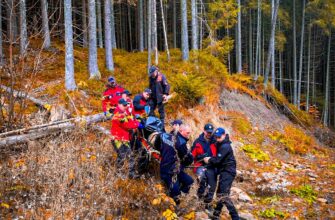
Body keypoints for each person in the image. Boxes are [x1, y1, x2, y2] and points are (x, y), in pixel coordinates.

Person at [204, 128, 239, 220]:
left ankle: (236, 217)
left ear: (224, 135)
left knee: (223, 195)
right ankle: (216, 214)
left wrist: (208, 160)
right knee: (220, 193)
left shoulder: (225, 146)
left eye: (219, 137)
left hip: (228, 172)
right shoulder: (220, 142)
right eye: (216, 137)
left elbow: (217, 160)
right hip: (224, 171)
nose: (217, 139)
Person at [159, 124, 194, 204]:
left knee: (190, 181)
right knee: (176, 194)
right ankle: (173, 207)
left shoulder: (167, 136)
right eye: (187, 133)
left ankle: (181, 198)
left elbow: (158, 142)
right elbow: (188, 160)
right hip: (169, 172)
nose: (189, 135)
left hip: (173, 169)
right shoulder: (181, 143)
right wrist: (190, 154)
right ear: (181, 131)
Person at [111, 98, 142, 179]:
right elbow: (127, 125)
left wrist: (136, 122)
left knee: (127, 156)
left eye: (126, 105)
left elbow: (130, 121)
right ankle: (120, 174)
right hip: (118, 139)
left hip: (123, 139)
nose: (126, 106)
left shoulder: (123, 113)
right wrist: (137, 124)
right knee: (123, 156)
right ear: (119, 105)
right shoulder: (118, 115)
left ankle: (128, 173)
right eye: (124, 105)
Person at [191, 123, 217, 205]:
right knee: (202, 178)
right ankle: (199, 198)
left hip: (212, 165)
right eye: (207, 132)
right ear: (204, 131)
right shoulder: (198, 142)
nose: (209, 134)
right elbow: (191, 155)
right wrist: (200, 157)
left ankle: (207, 203)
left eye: (210, 132)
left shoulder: (216, 141)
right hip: (200, 165)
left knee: (212, 184)